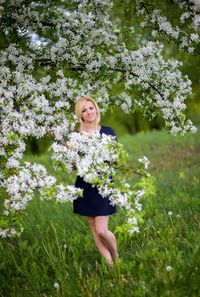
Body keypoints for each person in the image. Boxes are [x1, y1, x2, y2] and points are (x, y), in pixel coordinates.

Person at [73, 96, 119, 267]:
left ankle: (115, 256)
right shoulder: (76, 136)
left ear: (96, 109)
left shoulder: (108, 131)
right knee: (93, 227)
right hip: (84, 184)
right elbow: (73, 165)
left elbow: (116, 161)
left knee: (102, 229)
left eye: (91, 108)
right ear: (80, 115)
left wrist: (111, 153)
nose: (88, 112)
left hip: (103, 184)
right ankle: (109, 262)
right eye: (84, 110)